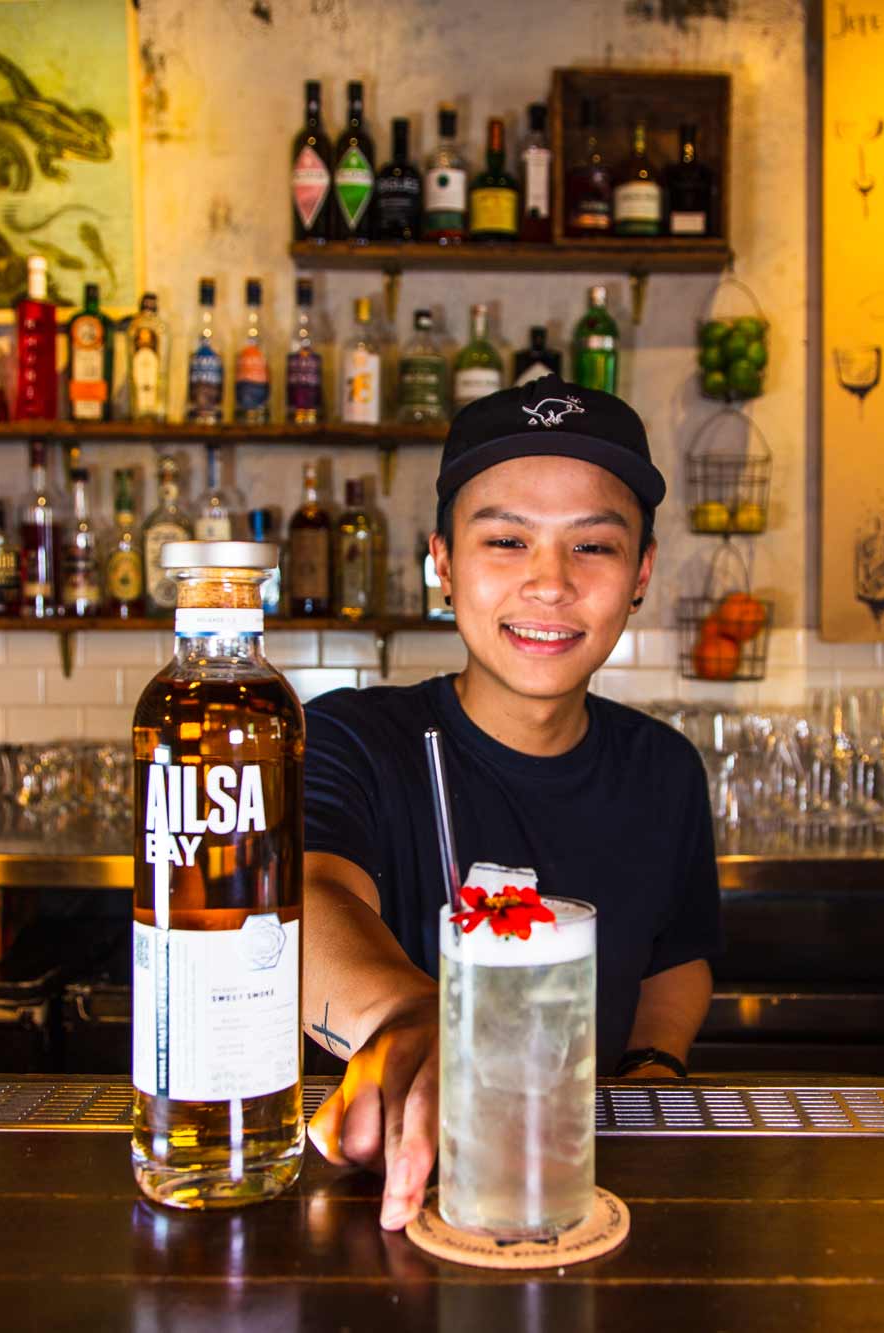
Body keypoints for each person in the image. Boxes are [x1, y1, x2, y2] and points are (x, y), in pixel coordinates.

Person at [299, 373, 722, 1230]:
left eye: (594, 547)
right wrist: (410, 1014)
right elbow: (305, 901)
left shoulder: (664, 768)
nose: (550, 583)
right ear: (443, 564)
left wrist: (652, 1072)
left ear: (641, 573)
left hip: (585, 1194)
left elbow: (675, 959)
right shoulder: (351, 739)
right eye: (505, 541)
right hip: (376, 1196)